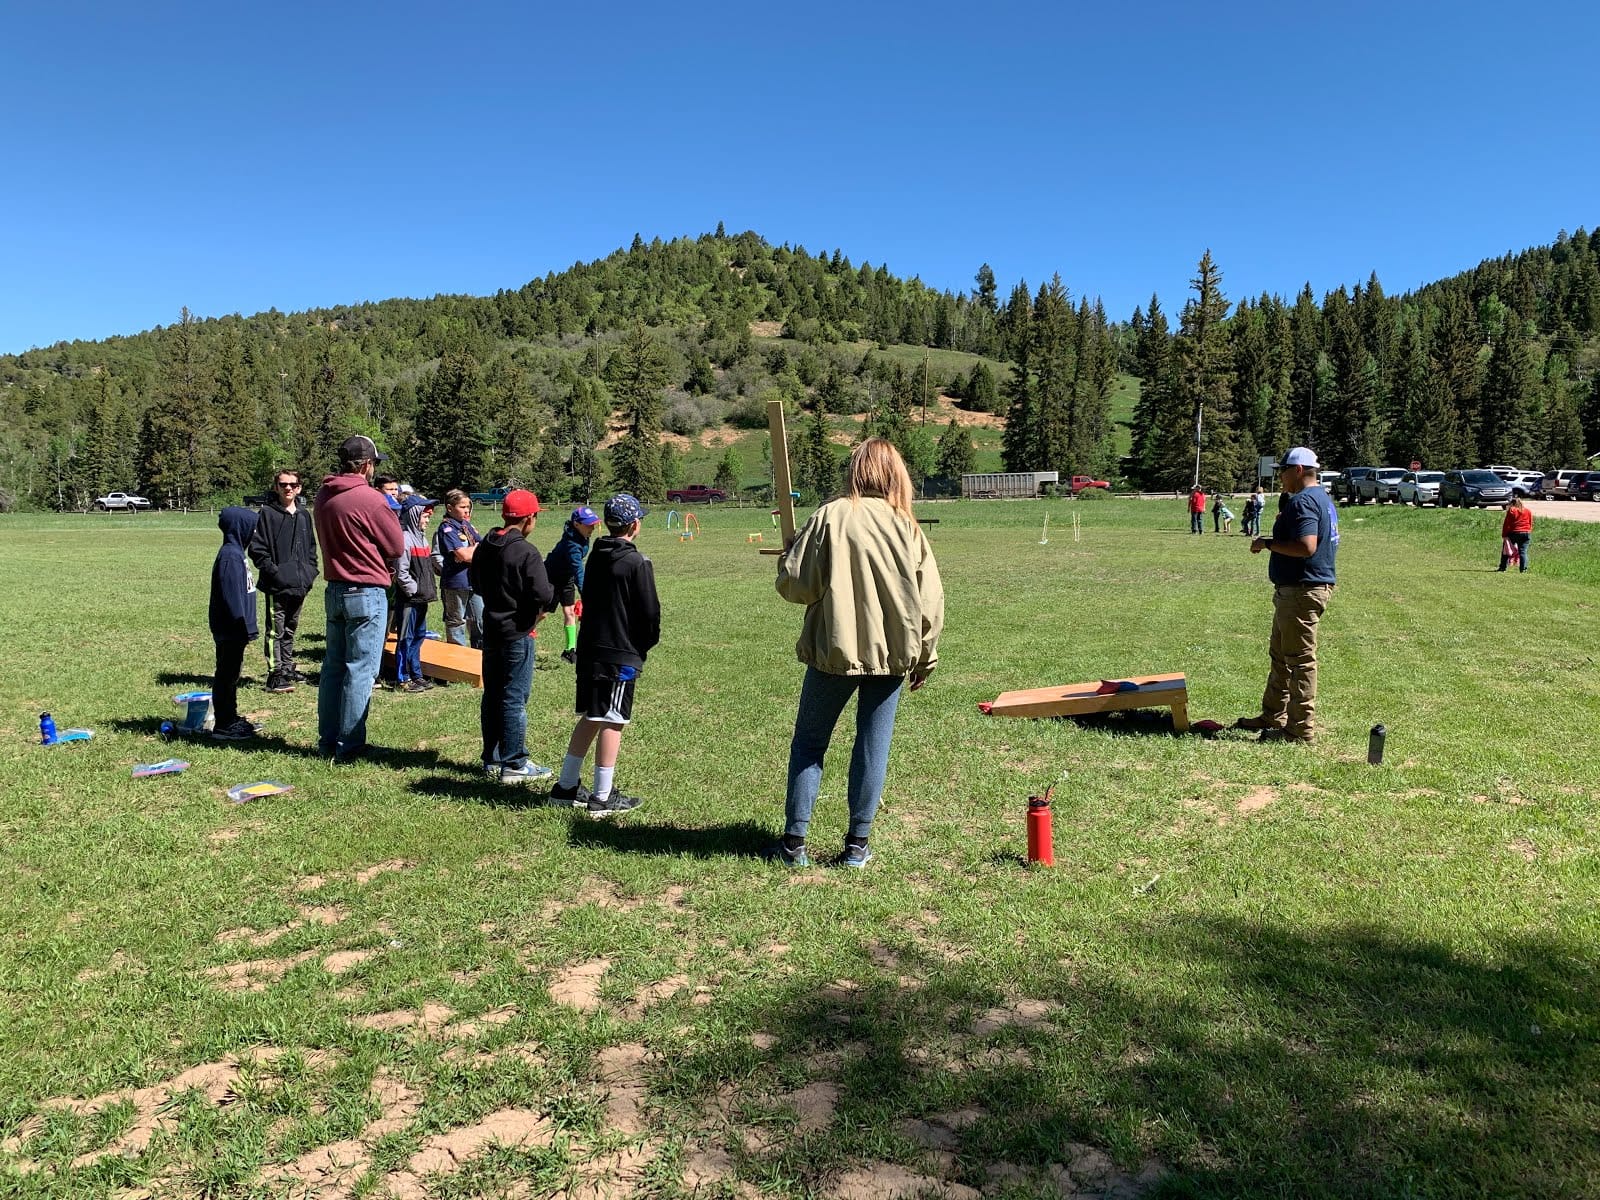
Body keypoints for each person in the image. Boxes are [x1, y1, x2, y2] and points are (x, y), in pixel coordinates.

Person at [768, 438, 944, 868]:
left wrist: (791, 555)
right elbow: (930, 600)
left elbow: (797, 587)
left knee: (809, 744)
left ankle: (795, 845)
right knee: (872, 746)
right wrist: (926, 656)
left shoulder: (829, 516)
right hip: (892, 658)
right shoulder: (907, 526)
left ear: (857, 471)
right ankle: (857, 846)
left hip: (834, 652)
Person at [549, 494, 660, 818]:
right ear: (635, 525)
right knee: (614, 721)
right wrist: (643, 646)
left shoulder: (594, 556)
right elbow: (650, 613)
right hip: (620, 653)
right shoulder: (637, 563)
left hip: (591, 651)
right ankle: (602, 796)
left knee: (593, 716)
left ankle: (566, 786)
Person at [1237, 447, 1338, 744]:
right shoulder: (1321, 498)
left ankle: (1299, 729)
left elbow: (1307, 546)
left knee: (1300, 661)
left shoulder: (1305, 501)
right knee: (1281, 656)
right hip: (1298, 589)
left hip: (1301, 590)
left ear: (1297, 470)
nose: (1279, 477)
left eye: (1282, 471)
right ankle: (1272, 715)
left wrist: (1267, 543)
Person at [314, 435, 405, 763]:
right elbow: (395, 547)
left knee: (333, 668)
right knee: (360, 670)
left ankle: (327, 741)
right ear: (367, 465)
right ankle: (350, 745)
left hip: (335, 589)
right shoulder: (371, 499)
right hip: (366, 591)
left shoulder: (323, 494)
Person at [470, 489, 556, 783]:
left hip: (491, 628)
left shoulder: (485, 545)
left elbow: (477, 585)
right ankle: (515, 763)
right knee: (514, 697)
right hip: (518, 631)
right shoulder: (526, 551)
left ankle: (492, 760)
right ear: (529, 518)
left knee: (492, 694)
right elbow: (544, 593)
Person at [249, 469, 318, 694]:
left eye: (293, 484)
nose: (288, 488)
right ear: (276, 487)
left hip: (300, 582)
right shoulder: (267, 513)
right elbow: (258, 550)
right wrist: (274, 573)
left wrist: (310, 572)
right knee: (275, 630)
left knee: (290, 628)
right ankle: (275, 674)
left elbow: (310, 548)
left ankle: (287, 667)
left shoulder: (304, 515)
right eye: (283, 484)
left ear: (299, 487)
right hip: (276, 584)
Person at [210, 506, 262, 741]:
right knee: (226, 675)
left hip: (237, 628)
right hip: (231, 628)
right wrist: (241, 626)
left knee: (232, 673)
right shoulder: (230, 556)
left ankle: (231, 716)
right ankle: (224, 723)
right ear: (240, 528)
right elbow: (231, 598)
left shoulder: (237, 553)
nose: (254, 534)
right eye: (252, 529)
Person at [393, 494, 442, 693]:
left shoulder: (422, 539)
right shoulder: (405, 540)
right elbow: (401, 571)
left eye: (429, 517)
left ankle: (416, 674)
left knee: (419, 635)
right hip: (409, 600)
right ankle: (403, 678)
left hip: (422, 597)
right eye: (424, 516)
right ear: (414, 515)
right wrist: (413, 590)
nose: (427, 521)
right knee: (406, 637)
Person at [545, 505, 601, 663]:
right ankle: (522, 637)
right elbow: (578, 571)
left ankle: (570, 650)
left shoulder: (583, 536)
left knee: (570, 612)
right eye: (589, 524)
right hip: (551, 578)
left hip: (566, 577)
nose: (592, 527)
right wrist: (586, 593)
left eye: (594, 523)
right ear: (577, 524)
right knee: (541, 613)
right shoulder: (572, 544)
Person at [435, 489, 484, 648]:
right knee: (457, 621)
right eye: (462, 507)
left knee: (480, 619)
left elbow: (484, 548)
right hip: (456, 582)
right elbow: (465, 556)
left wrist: (472, 551)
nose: (467, 510)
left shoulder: (467, 525)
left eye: (468, 507)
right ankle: (457, 661)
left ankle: (480, 656)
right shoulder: (447, 528)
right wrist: (471, 551)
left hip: (474, 580)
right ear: (449, 508)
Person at [1500, 496, 1533, 572]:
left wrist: (1504, 535)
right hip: (1526, 532)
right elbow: (1530, 522)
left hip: (1514, 532)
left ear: (1512, 503)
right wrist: (1528, 531)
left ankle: (1503, 567)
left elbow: (1506, 524)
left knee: (1506, 549)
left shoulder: (1512, 510)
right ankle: (1523, 569)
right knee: (1523, 551)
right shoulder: (1528, 511)